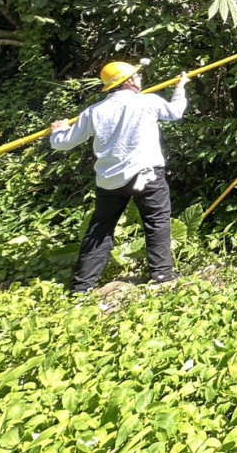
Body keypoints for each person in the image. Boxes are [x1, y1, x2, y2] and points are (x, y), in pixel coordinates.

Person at [50, 60, 189, 293]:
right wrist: (180, 88)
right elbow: (175, 112)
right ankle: (162, 273)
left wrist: (59, 130)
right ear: (130, 81)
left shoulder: (93, 112)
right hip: (147, 175)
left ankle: (81, 287)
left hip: (109, 181)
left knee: (100, 229)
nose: (140, 78)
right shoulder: (148, 102)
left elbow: (65, 143)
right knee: (156, 222)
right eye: (137, 76)